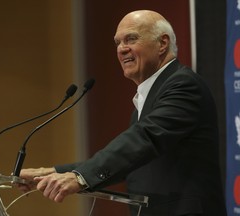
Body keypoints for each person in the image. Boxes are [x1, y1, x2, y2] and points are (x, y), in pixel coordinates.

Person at [19, 10, 227, 216]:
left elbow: (144, 139)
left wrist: (81, 178)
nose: (121, 49)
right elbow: (132, 161)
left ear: (162, 43)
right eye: (118, 42)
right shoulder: (149, 98)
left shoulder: (183, 85)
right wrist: (53, 172)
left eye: (131, 39)